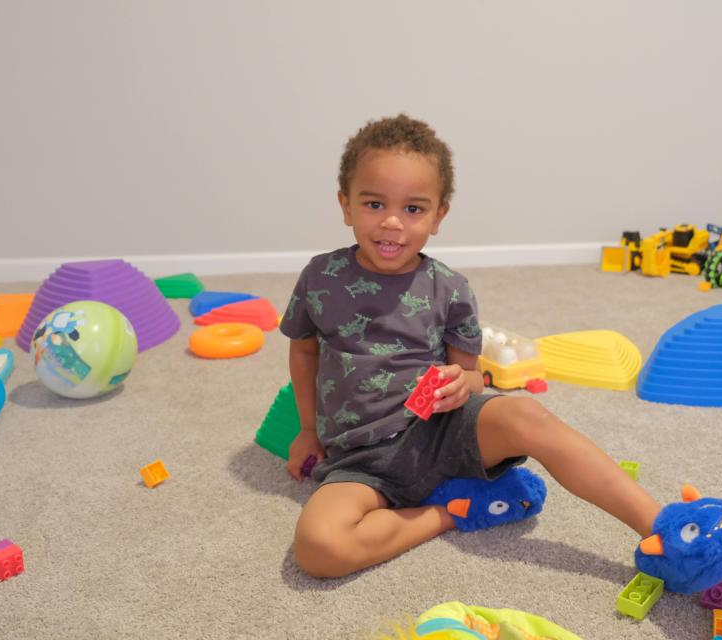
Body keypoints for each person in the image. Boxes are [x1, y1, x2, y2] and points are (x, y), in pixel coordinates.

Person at [281, 114, 663, 579]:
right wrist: (307, 430)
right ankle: (455, 510)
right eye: (375, 203)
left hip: (441, 433)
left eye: (415, 209)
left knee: (525, 415)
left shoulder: (450, 287)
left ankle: (661, 526)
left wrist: (461, 383)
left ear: (439, 215)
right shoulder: (321, 278)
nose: (393, 223)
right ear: (345, 205)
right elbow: (304, 351)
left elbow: (472, 375)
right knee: (319, 549)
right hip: (362, 461)